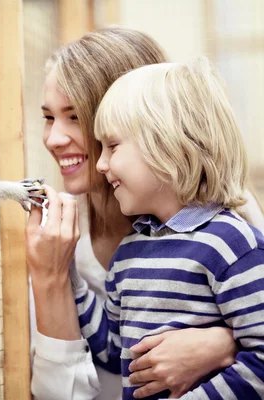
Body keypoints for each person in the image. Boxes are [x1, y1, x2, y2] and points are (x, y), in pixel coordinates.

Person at [26, 27, 264, 400]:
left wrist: (225, 344)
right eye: (49, 117)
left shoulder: (233, 234)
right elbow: (114, 350)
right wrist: (60, 271)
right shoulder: (121, 250)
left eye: (74, 117)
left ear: (162, 137)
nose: (54, 139)